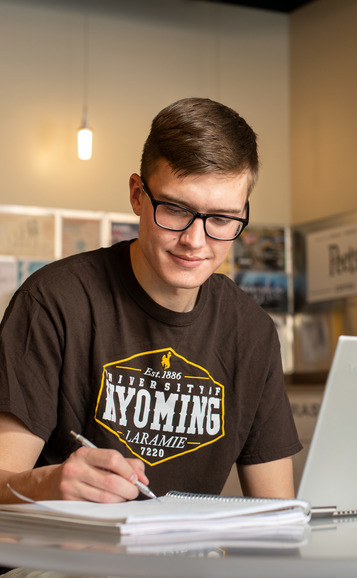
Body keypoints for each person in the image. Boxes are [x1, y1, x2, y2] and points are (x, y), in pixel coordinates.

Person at [0, 97, 302, 504]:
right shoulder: (53, 302)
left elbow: (276, 515)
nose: (196, 241)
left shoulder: (251, 332)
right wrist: (50, 485)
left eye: (222, 219)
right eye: (176, 210)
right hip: (60, 562)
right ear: (138, 195)